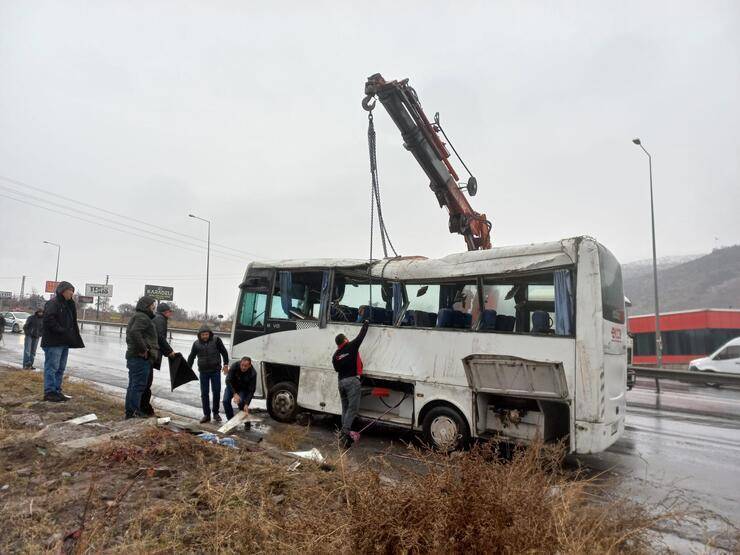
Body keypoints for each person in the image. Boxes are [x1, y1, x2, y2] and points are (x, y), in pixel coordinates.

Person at [41, 281, 84, 402]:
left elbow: (72, 322)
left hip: (64, 341)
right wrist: (61, 330)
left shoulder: (68, 304)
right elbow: (48, 319)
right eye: (70, 291)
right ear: (63, 291)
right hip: (53, 342)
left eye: (72, 291)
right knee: (52, 367)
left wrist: (69, 335)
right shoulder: (53, 303)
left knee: (60, 368)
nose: (72, 293)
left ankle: (57, 391)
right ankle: (49, 392)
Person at [332, 318, 369, 447]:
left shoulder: (336, 355)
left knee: (345, 409)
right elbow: (361, 336)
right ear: (345, 340)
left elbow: (336, 368)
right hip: (352, 382)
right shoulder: (351, 346)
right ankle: (345, 434)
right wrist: (366, 323)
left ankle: (344, 434)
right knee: (353, 409)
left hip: (341, 382)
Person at [124, 296, 160, 419]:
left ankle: (131, 412)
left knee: (133, 385)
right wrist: (144, 349)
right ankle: (134, 412)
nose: (154, 307)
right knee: (138, 386)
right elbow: (135, 332)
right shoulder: (142, 317)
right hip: (140, 358)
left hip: (135, 357)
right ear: (146, 306)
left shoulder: (139, 316)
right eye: (152, 305)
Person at [187, 324, 229, 423]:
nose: (205, 336)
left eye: (206, 334)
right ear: (199, 335)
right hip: (203, 372)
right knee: (204, 393)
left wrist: (226, 364)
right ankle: (206, 415)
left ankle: (215, 413)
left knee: (216, 391)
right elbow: (191, 357)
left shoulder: (216, 340)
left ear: (209, 334)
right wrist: (188, 368)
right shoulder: (196, 344)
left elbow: (224, 352)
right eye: (203, 335)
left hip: (215, 371)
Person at [142, 302, 177, 416]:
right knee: (146, 383)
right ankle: (144, 408)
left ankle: (144, 407)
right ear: (165, 312)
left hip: (149, 353)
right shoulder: (160, 319)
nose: (170, 313)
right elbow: (160, 337)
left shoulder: (157, 318)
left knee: (145, 382)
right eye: (169, 311)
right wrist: (169, 351)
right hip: (150, 355)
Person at [223, 356, 257, 423]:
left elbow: (251, 390)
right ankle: (230, 420)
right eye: (242, 365)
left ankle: (247, 421)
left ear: (249, 365)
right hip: (232, 386)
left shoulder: (253, 373)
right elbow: (227, 380)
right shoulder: (235, 366)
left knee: (242, 403)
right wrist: (234, 394)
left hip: (243, 388)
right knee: (225, 401)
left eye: (245, 366)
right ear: (240, 363)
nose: (243, 367)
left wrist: (247, 404)